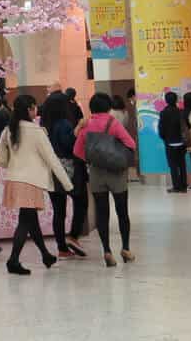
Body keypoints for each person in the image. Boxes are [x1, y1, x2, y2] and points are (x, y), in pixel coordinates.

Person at [0, 95, 72, 275]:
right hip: (30, 181)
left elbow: (0, 157)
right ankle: (13, 260)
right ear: (29, 109)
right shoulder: (36, 131)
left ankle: (45, 255)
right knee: (25, 221)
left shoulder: (9, 130)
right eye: (34, 107)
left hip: (14, 179)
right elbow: (52, 159)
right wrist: (68, 184)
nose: (36, 110)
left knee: (30, 220)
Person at [74, 93, 137, 266]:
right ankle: (125, 249)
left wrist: (94, 159)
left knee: (102, 214)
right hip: (116, 173)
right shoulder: (112, 122)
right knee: (122, 212)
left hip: (96, 173)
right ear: (108, 107)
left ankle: (107, 251)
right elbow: (131, 144)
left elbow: (78, 151)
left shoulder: (86, 125)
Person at [40, 92, 86, 259]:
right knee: (81, 202)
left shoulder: (43, 125)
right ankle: (73, 236)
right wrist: (78, 128)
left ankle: (62, 248)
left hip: (51, 170)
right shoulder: (64, 124)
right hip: (69, 170)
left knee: (58, 211)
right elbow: (69, 144)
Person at [159, 91, 189, 193]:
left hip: (170, 143)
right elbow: (188, 126)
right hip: (181, 142)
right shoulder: (181, 112)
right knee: (182, 164)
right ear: (176, 100)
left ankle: (176, 186)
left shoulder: (163, 113)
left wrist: (165, 138)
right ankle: (184, 186)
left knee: (173, 165)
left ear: (166, 101)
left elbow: (161, 129)